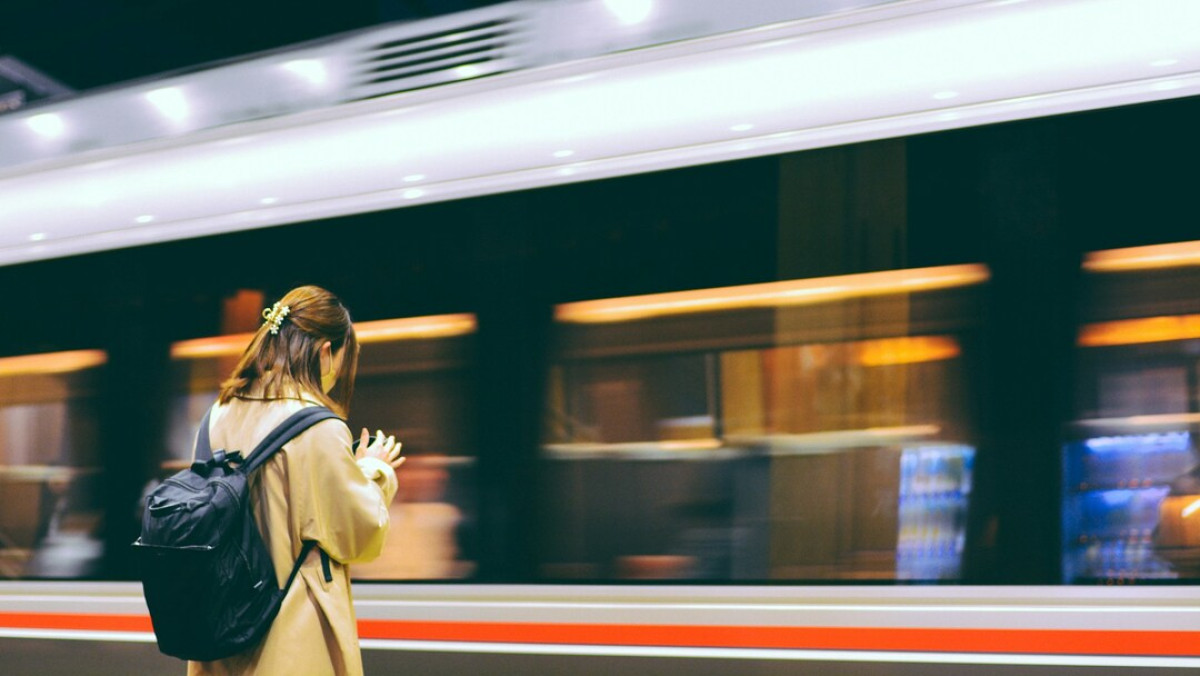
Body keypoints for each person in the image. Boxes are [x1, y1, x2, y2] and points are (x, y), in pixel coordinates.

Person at [188, 286, 404, 676]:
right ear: (324, 351)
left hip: (220, 636)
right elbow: (359, 533)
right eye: (340, 358)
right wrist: (375, 471)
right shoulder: (317, 426)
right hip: (288, 644)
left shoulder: (215, 417)